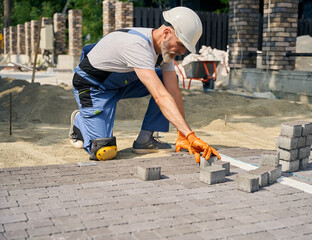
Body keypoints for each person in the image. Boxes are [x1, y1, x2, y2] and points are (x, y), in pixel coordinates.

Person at [69, 6, 221, 163]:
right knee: (104, 151)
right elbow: (160, 97)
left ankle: (145, 139)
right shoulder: (137, 45)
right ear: (167, 33)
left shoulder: (165, 51)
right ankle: (80, 122)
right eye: (181, 44)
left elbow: (173, 92)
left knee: (167, 80)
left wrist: (183, 135)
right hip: (93, 87)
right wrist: (191, 135)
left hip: (120, 83)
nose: (182, 52)